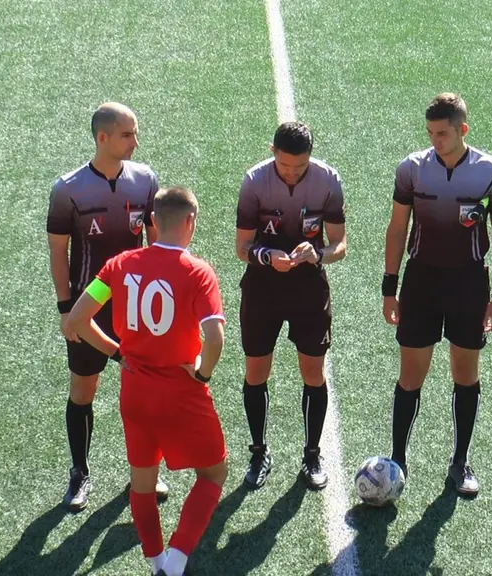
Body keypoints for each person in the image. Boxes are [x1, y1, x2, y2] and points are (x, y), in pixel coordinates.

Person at [66, 186, 227, 576]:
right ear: (190, 220)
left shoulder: (119, 265)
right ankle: (176, 561)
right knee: (213, 474)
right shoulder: (198, 272)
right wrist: (202, 372)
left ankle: (156, 562)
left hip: (135, 391)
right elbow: (215, 338)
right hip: (181, 394)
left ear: (152, 220)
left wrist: (118, 353)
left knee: (142, 482)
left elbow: (78, 320)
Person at [382, 93, 492, 496]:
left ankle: (460, 462)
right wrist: (389, 287)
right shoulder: (411, 169)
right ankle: (397, 461)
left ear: (462, 130)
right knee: (410, 376)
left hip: (468, 283)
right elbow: (397, 228)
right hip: (421, 281)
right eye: (430, 133)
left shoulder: (491, 172)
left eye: (442, 133)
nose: (435, 140)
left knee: (465, 374)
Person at [46, 102, 169, 511]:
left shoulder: (145, 180)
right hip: (90, 307)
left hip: (137, 306)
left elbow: (156, 241)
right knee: (84, 390)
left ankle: (147, 471)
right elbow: (58, 252)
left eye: (135, 133)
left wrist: (163, 294)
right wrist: (66, 309)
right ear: (103, 138)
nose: (136, 142)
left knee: (147, 390)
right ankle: (80, 472)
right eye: (127, 135)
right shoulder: (68, 190)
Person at [234, 121, 348, 490]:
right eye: (285, 165)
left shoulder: (328, 181)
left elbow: (339, 245)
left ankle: (312, 454)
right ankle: (258, 453)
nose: (292, 173)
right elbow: (242, 247)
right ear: (273, 152)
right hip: (262, 288)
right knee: (256, 372)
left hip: (308, 289)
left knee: (313, 372)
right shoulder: (254, 182)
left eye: (300, 166)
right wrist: (268, 256)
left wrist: (318, 254)